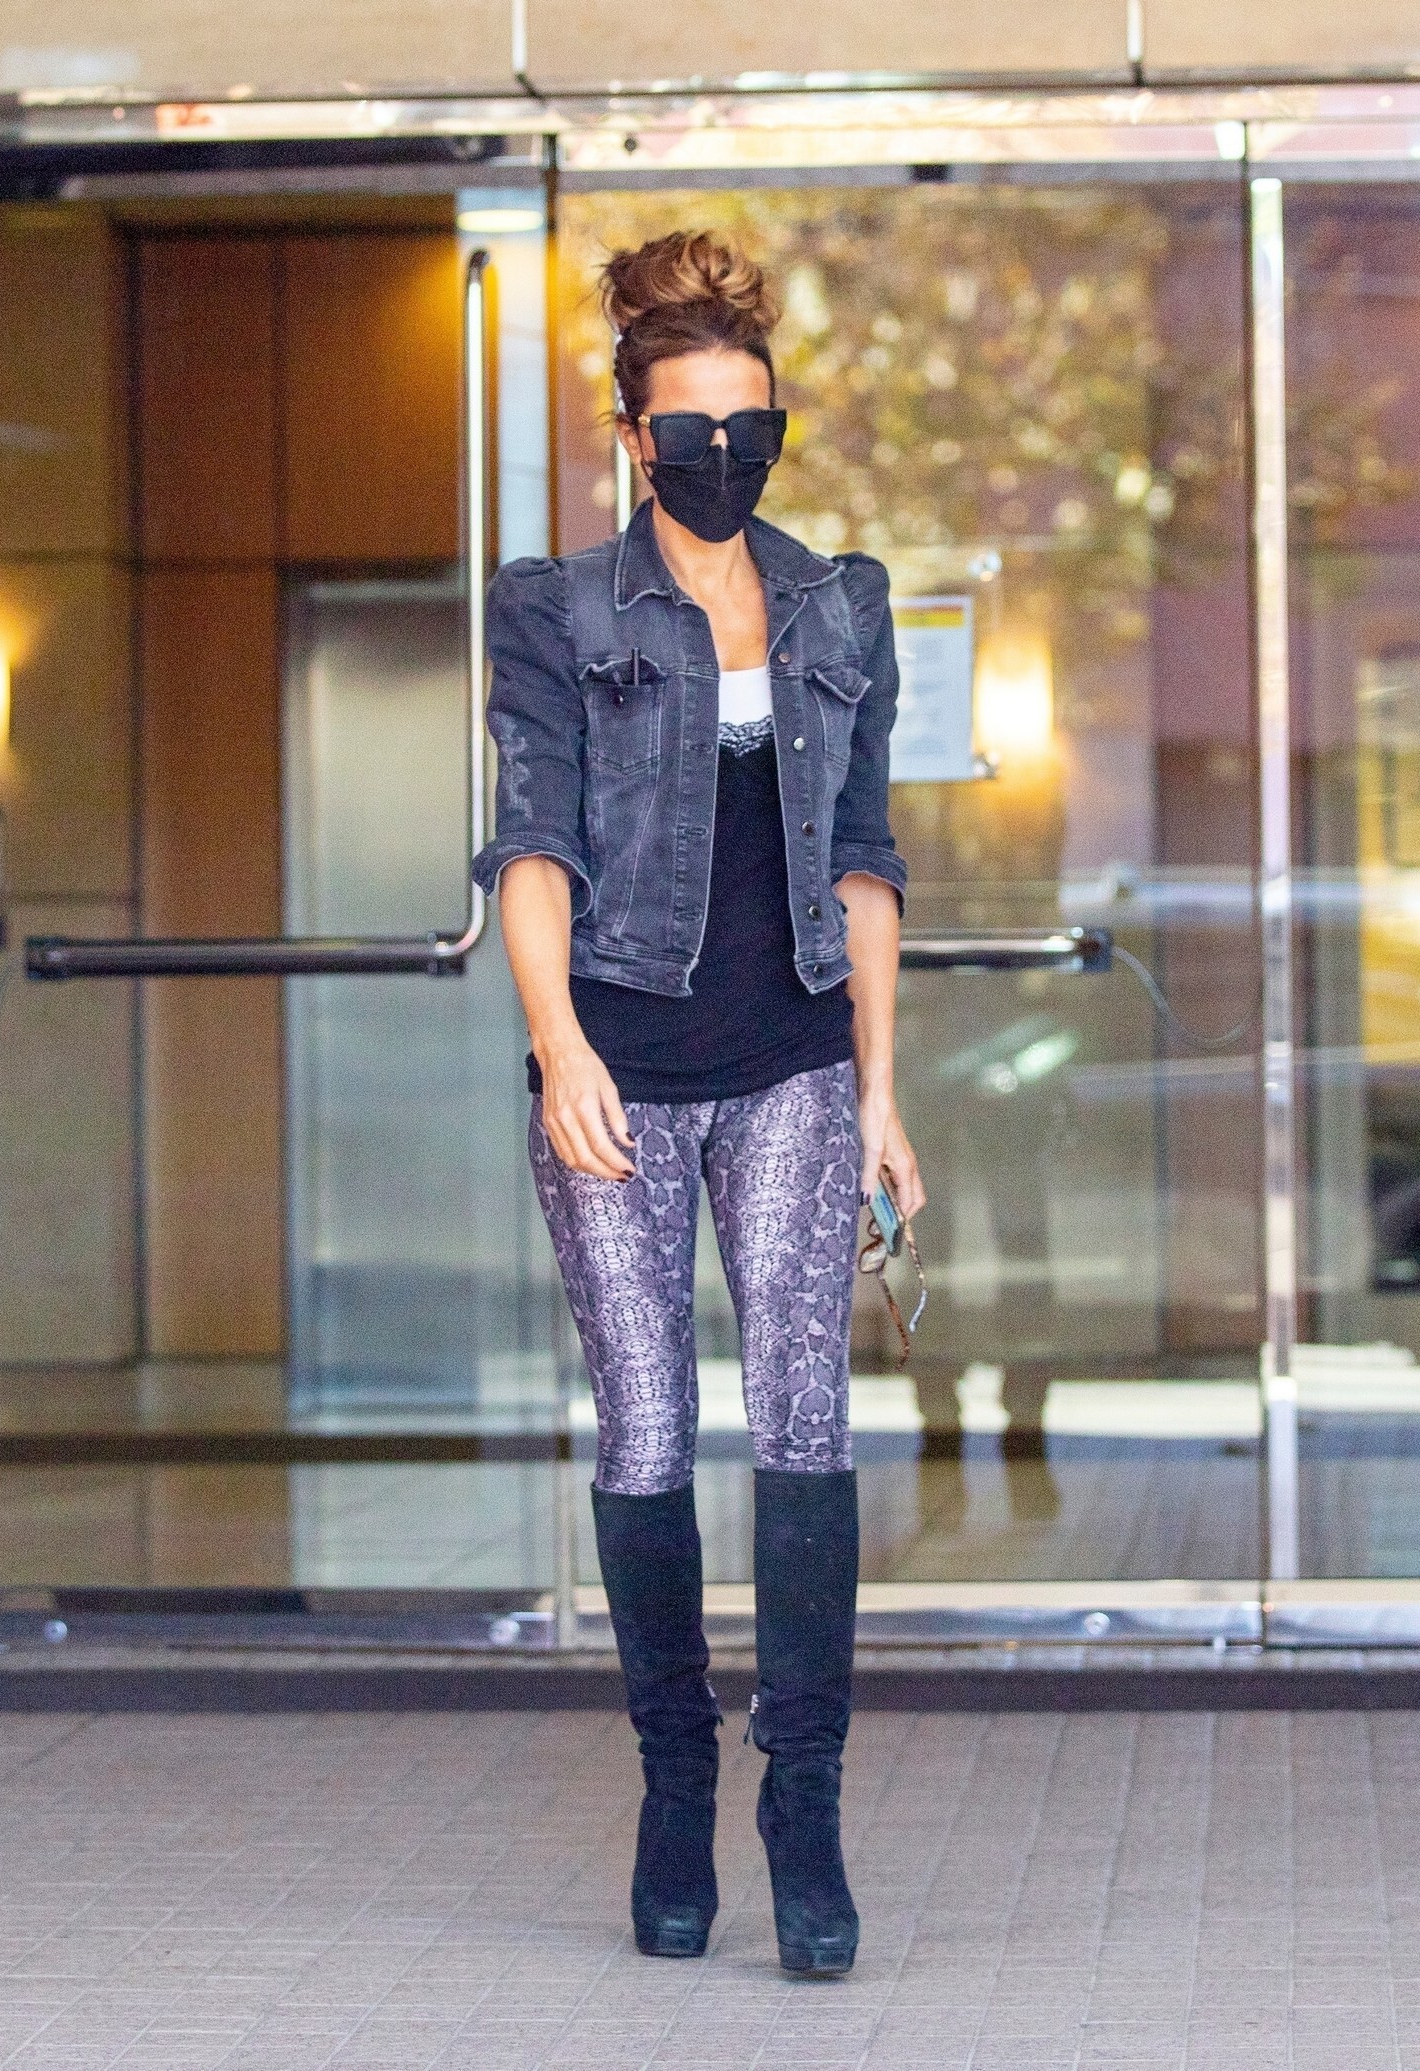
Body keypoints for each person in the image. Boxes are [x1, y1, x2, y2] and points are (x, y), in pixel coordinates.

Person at [470, 230, 924, 1977]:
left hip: (795, 1059)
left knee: (806, 1419)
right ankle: (676, 1784)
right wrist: (560, 1048)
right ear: (633, 435)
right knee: (647, 1428)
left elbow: (865, 861)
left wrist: (881, 1091)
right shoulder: (559, 609)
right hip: (622, 1068)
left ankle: (803, 1804)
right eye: (691, 430)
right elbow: (531, 844)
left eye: (753, 426)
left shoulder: (839, 604)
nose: (724, 455)